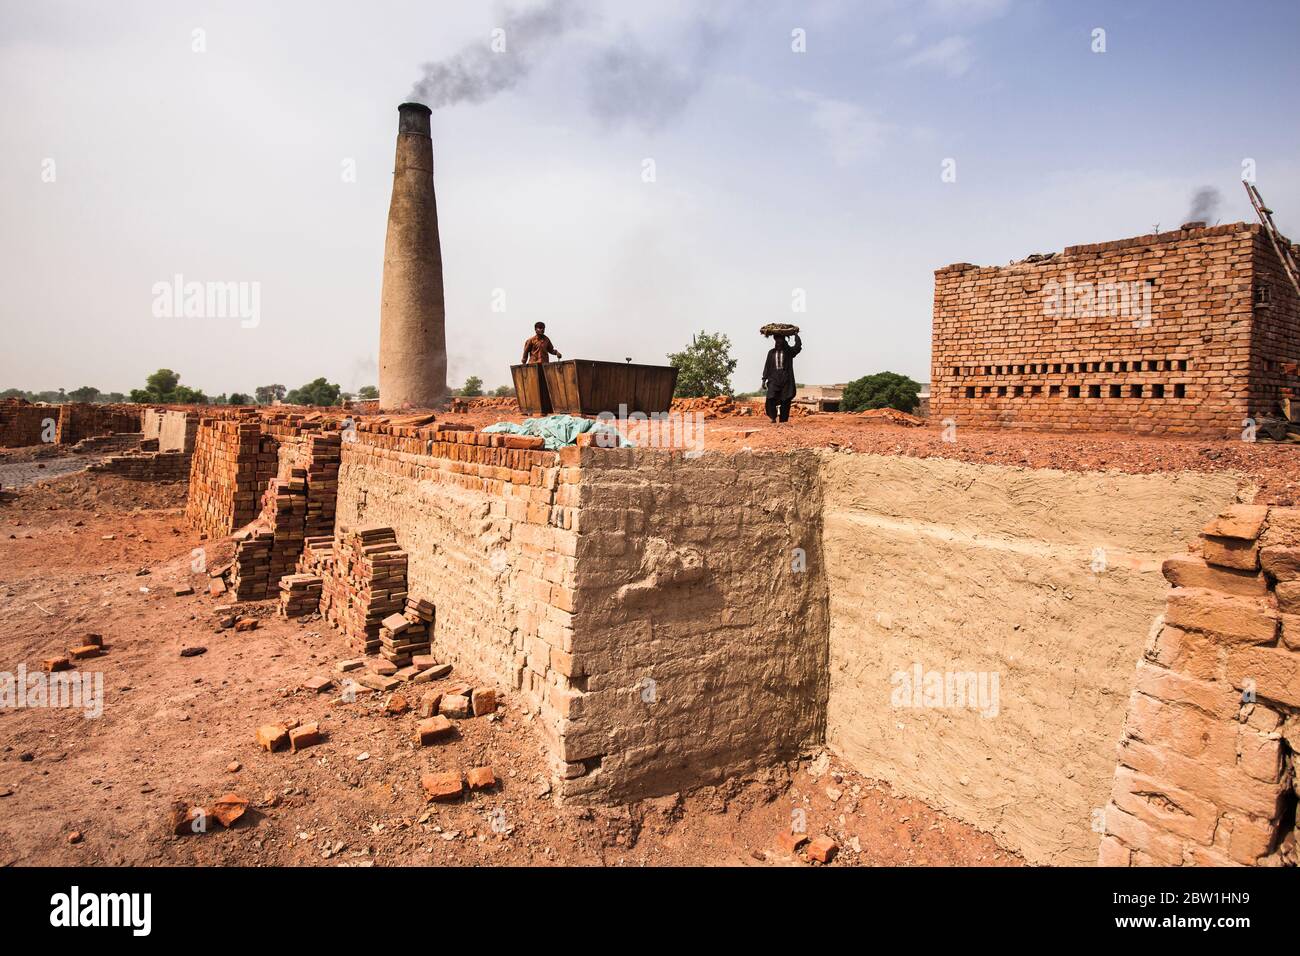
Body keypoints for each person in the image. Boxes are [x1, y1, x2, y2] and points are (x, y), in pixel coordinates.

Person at [761, 332, 802, 423]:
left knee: (785, 400)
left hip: (785, 378)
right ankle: (773, 417)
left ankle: (783, 420)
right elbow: (767, 366)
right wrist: (764, 379)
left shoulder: (788, 352)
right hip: (773, 378)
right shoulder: (771, 352)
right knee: (770, 397)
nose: (778, 342)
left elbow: (797, 348)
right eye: (777, 340)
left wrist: (796, 337)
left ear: (784, 341)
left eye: (780, 340)